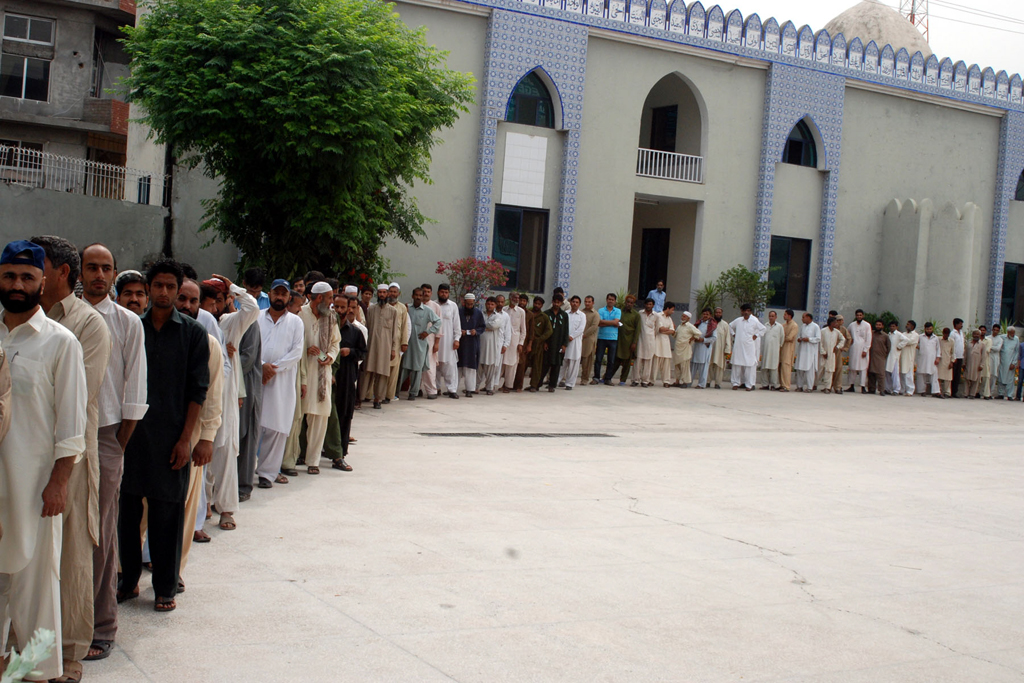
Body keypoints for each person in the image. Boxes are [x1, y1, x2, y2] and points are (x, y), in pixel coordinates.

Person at [0, 240, 87, 682]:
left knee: (37, 584)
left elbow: (72, 425)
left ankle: (36, 671)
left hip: (35, 487)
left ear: (42, 283)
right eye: (9, 276)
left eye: (27, 277)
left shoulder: (60, 343)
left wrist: (59, 482)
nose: (17, 285)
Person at [31, 235, 112, 680]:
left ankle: (67, 654)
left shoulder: (87, 326)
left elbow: (77, 398)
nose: (27, 276)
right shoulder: (19, 317)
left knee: (70, 554)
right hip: (22, 453)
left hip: (71, 457)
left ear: (62, 273)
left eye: (35, 268)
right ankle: (21, 647)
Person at [119, 259, 210, 615]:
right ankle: (126, 581)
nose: (164, 293)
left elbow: (197, 390)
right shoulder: (131, 328)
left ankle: (164, 586)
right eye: (158, 286)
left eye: (171, 287)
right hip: (130, 435)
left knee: (166, 515)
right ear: (148, 288)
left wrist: (187, 438)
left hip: (172, 435)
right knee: (126, 513)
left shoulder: (192, 333)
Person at [79, 243, 148, 663]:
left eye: (106, 268)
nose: (98, 275)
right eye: (92, 268)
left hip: (106, 436)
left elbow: (135, 390)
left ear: (115, 273)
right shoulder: (61, 316)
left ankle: (102, 625)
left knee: (100, 534)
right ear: (78, 272)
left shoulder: (126, 322)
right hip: (63, 435)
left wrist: (118, 443)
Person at [254, 280, 304, 486]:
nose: (280, 297)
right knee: (253, 426)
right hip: (256, 378)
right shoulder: (256, 317)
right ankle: (246, 472)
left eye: (284, 294)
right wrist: (261, 365)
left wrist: (272, 369)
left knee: (276, 429)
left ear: (288, 297)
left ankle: (267, 474)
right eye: (277, 293)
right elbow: (248, 345)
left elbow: (297, 351)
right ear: (270, 294)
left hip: (281, 382)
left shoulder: (295, 322)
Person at [300, 282, 341, 474]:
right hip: (301, 372)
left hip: (322, 373)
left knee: (320, 418)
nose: (332, 301)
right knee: (296, 417)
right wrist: (305, 350)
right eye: (330, 297)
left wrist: (330, 357)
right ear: (318, 298)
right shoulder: (300, 314)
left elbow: (335, 343)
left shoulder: (331, 317)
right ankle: (290, 459)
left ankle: (313, 461)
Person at [332, 297, 367, 471]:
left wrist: (350, 352)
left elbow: (363, 353)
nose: (339, 310)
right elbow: (319, 353)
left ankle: (340, 454)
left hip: (346, 378)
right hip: (326, 378)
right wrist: (327, 361)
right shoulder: (325, 329)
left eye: (342, 307)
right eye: (336, 306)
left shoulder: (355, 332)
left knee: (344, 415)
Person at [236, 305, 263, 501]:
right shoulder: (221, 321)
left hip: (247, 384)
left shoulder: (250, 323)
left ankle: (243, 485)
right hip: (225, 384)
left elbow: (247, 358)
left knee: (245, 435)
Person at [280, 290, 308, 477]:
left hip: (301, 378)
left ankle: (291, 460)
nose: (300, 309)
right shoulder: (292, 322)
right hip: (280, 377)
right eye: (298, 306)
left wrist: (304, 380)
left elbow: (305, 356)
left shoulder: (299, 323)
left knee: (296, 420)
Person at [400, 288, 441, 399]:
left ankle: (413, 393)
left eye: (420, 295)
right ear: (412, 296)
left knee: (417, 369)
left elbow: (438, 322)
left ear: (423, 297)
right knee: (404, 368)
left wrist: (428, 332)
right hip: (406, 344)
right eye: (416, 295)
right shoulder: (406, 308)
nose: (418, 297)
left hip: (420, 344)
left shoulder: (427, 310)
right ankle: (395, 391)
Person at [364, 284, 401, 408]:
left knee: (382, 373)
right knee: (367, 372)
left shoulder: (393, 311)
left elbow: (395, 332)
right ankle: (362, 397)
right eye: (380, 292)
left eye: (384, 292)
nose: (382, 295)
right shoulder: (371, 309)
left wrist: (393, 349)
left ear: (387, 294)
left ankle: (378, 399)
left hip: (386, 346)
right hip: (371, 345)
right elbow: (367, 328)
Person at [434, 284, 462, 398]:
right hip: (435, 340)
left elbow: (457, 324)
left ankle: (452, 389)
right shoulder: (433, 304)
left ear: (448, 293)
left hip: (449, 341)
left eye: (446, 292)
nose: (443, 294)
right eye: (442, 292)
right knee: (435, 365)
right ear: (438, 292)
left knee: (450, 366)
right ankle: (436, 388)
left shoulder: (453, 306)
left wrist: (457, 339)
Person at [729, 304, 765, 391]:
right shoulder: (738, 320)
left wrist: (756, 335)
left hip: (749, 347)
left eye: (748, 311)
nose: (746, 312)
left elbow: (763, 329)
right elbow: (729, 326)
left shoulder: (754, 321)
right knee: (737, 364)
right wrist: (733, 334)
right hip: (738, 346)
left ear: (750, 312)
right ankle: (735, 383)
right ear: (741, 311)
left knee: (749, 365)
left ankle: (749, 385)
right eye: (744, 311)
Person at [537, 295, 569, 392]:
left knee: (556, 365)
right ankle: (537, 384)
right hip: (548, 344)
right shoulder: (546, 314)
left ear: (561, 303)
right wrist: (544, 342)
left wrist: (564, 345)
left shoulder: (564, 315)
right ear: (552, 302)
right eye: (555, 302)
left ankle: (552, 385)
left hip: (559, 344)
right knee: (544, 365)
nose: (556, 304)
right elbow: (543, 330)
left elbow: (566, 330)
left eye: (558, 302)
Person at [457, 293, 486, 397]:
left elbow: (482, 327)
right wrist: (460, 331)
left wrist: (476, 331)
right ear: (464, 303)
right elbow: (454, 324)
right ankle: (453, 389)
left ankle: (469, 390)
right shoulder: (459, 312)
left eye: (471, 304)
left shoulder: (478, 313)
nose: (469, 306)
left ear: (474, 303)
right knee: (457, 367)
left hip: (472, 344)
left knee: (470, 368)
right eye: (467, 304)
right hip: (460, 343)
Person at [386, 283, 410, 402]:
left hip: (397, 342)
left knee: (394, 371)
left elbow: (405, 325)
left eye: (395, 292)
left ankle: (389, 395)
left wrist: (404, 342)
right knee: (382, 369)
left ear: (398, 294)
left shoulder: (402, 308)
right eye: (390, 291)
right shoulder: (382, 305)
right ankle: (379, 393)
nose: (392, 294)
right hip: (383, 342)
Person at [478, 296, 506, 395]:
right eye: (488, 304)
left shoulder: (498, 316)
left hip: (492, 346)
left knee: (490, 367)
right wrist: (486, 325)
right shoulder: (481, 314)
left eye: (492, 304)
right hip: (480, 344)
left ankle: (489, 388)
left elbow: (494, 326)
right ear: (485, 304)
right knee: (479, 367)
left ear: (495, 305)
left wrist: (483, 326)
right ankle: (475, 387)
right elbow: (477, 325)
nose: (490, 306)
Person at [525, 296, 553, 392]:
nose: (537, 305)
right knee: (523, 363)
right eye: (535, 303)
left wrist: (542, 339)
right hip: (526, 341)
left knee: (537, 365)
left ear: (542, 305)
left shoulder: (544, 317)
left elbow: (549, 331)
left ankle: (534, 385)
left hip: (538, 343)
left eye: (539, 304)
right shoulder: (528, 313)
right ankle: (517, 384)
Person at [420, 284, 443, 399]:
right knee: (416, 365)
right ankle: (416, 389)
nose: (426, 293)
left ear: (431, 293)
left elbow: (439, 326)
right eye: (424, 291)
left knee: (429, 366)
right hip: (417, 340)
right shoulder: (415, 305)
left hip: (430, 340)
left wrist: (437, 342)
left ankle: (431, 390)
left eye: (428, 292)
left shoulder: (435, 306)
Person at [611, 295, 640, 386]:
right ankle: (607, 377)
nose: (629, 304)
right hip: (619, 339)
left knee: (627, 362)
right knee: (615, 360)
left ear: (633, 304)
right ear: (625, 302)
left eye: (631, 303)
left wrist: (634, 343)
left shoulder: (636, 315)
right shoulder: (619, 312)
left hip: (629, 341)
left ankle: (623, 380)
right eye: (628, 302)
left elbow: (637, 330)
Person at [502, 292, 526, 393]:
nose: (516, 299)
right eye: (515, 297)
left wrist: (521, 343)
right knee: (500, 362)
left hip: (514, 341)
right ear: (510, 298)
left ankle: (508, 385)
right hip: (503, 339)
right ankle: (493, 384)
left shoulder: (521, 312)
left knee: (512, 364)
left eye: (518, 298)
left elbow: (523, 329)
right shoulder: (504, 310)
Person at [562, 295, 587, 390]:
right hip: (564, 341)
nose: (574, 304)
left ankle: (570, 383)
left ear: (579, 304)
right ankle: (557, 380)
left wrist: (572, 336)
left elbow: (581, 328)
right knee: (562, 362)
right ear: (570, 303)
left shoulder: (582, 315)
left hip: (575, 342)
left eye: (577, 302)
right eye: (573, 302)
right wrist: (565, 336)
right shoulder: (565, 313)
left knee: (573, 363)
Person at [594, 293, 620, 384]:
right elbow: (599, 322)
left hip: (613, 338)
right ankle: (596, 377)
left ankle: (608, 378)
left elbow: (617, 321)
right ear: (606, 300)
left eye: (612, 299)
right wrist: (613, 323)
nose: (610, 301)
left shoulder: (618, 311)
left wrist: (605, 322)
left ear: (615, 301)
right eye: (609, 299)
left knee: (611, 360)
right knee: (598, 359)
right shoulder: (601, 310)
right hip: (602, 337)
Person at [672, 310, 702, 387]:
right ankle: (677, 381)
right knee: (677, 366)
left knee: (684, 366)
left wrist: (692, 338)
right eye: (682, 316)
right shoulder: (680, 326)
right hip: (678, 348)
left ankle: (685, 382)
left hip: (685, 348)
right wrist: (672, 331)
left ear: (688, 318)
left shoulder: (690, 326)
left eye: (684, 316)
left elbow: (698, 333)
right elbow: (676, 335)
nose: (682, 317)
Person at [793, 312, 820, 392]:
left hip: (810, 352)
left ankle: (809, 387)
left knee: (809, 370)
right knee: (800, 369)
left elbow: (818, 338)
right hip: (802, 351)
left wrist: (809, 339)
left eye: (803, 317)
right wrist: (799, 339)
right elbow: (800, 336)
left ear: (808, 317)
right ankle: (799, 386)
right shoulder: (803, 326)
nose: (802, 319)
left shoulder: (815, 327)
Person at [635, 298, 659, 387]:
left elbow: (656, 329)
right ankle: (636, 380)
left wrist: (651, 337)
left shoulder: (656, 316)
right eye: (647, 304)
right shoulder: (640, 313)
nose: (649, 306)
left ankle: (645, 381)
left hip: (650, 341)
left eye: (650, 304)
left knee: (648, 361)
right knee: (638, 360)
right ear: (645, 304)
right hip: (640, 340)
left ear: (653, 305)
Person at [819, 316, 846, 394]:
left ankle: (827, 387)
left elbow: (843, 339)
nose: (836, 324)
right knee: (820, 370)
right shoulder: (823, 331)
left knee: (830, 370)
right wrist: (823, 352)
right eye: (835, 322)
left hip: (832, 354)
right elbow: (820, 342)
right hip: (824, 354)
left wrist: (837, 347)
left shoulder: (836, 332)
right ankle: (814, 384)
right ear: (831, 323)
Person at [758, 310, 784, 390]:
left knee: (773, 368)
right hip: (766, 350)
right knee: (765, 368)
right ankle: (765, 384)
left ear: (776, 317)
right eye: (770, 316)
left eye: (773, 316)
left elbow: (782, 338)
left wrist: (779, 346)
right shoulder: (765, 325)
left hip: (775, 350)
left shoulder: (779, 326)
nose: (771, 317)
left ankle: (774, 385)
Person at [847, 309, 872, 393]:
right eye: (857, 315)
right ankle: (851, 385)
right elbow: (847, 334)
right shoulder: (852, 325)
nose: (859, 316)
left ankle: (862, 386)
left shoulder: (867, 325)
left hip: (862, 349)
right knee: (852, 368)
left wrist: (865, 349)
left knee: (863, 368)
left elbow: (869, 338)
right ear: (855, 316)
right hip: (854, 349)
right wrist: (849, 343)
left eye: (860, 315)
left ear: (863, 316)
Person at [651, 300, 675, 387]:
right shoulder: (658, 316)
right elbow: (660, 329)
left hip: (666, 343)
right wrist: (667, 330)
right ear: (667, 308)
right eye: (672, 310)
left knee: (666, 363)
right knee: (655, 362)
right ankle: (651, 380)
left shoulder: (669, 318)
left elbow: (672, 331)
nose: (673, 312)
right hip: (658, 340)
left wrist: (667, 330)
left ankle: (666, 381)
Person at [865, 320, 890, 395]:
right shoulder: (871, 334)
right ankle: (871, 389)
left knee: (880, 374)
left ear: (882, 326)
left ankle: (881, 390)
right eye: (877, 325)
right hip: (871, 356)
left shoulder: (885, 336)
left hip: (880, 357)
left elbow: (888, 347)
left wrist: (884, 355)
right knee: (870, 373)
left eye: (880, 325)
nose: (878, 326)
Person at [691, 308, 714, 389]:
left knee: (703, 366)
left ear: (710, 315)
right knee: (693, 365)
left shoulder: (712, 325)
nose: (705, 316)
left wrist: (703, 340)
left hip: (705, 348)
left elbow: (714, 338)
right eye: (704, 314)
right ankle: (688, 382)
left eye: (707, 314)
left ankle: (701, 384)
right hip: (697, 347)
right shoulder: (698, 323)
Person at [710, 307, 732, 389]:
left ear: (721, 314)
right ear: (714, 313)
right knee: (709, 365)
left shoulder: (725, 325)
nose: (718, 314)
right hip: (710, 348)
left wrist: (727, 350)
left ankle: (717, 383)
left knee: (719, 366)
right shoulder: (710, 322)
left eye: (719, 313)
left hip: (720, 349)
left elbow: (727, 338)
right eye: (716, 312)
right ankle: (708, 381)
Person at [580, 295, 600, 385]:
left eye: (589, 302)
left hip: (588, 340)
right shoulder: (581, 312)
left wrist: (584, 334)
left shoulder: (595, 314)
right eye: (586, 301)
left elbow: (594, 327)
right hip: (578, 339)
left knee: (586, 361)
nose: (587, 303)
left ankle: (584, 379)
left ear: (593, 303)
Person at [779, 309, 798, 392]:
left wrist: (783, 338)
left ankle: (786, 386)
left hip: (788, 348)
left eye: (785, 314)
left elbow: (790, 338)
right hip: (782, 347)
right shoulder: (783, 325)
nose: (784, 316)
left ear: (790, 316)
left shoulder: (794, 325)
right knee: (780, 366)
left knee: (786, 366)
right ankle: (782, 384)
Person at [884, 321, 906, 395]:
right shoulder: (889, 334)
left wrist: (899, 346)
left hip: (895, 356)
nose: (892, 327)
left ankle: (896, 389)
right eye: (891, 326)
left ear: (896, 327)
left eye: (893, 326)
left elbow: (906, 340)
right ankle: (888, 388)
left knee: (895, 374)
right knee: (887, 373)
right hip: (888, 356)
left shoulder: (899, 334)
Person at [998, 327, 1019, 399]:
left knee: (1010, 379)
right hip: (1002, 361)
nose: (1013, 334)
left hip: (1011, 362)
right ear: (1008, 333)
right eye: (1011, 333)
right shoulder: (1002, 337)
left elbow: (1017, 351)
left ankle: (1010, 395)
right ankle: (1001, 394)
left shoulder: (1016, 339)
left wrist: (1014, 362)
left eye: (1014, 333)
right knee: (1001, 377)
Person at [833, 313, 853, 393]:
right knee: (830, 369)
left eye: (841, 320)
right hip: (831, 350)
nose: (841, 322)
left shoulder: (843, 329)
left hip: (838, 351)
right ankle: (828, 386)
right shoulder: (832, 328)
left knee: (838, 369)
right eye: (839, 320)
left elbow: (849, 338)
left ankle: (838, 387)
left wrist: (845, 348)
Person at [900, 321, 920, 396]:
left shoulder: (915, 335)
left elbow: (909, 341)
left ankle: (910, 390)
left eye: (908, 324)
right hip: (902, 355)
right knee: (902, 373)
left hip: (909, 356)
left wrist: (903, 341)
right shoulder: (904, 334)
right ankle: (902, 389)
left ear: (912, 326)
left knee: (909, 374)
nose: (906, 325)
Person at [964, 329, 984, 398]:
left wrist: (981, 365)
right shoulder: (968, 343)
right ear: (972, 335)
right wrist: (964, 363)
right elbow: (965, 354)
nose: (976, 335)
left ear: (980, 335)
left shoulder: (982, 344)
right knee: (966, 378)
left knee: (976, 379)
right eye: (975, 334)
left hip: (977, 364)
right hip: (968, 363)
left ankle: (972, 394)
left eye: (978, 334)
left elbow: (984, 356)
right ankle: (966, 394)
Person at [935, 326, 953, 397]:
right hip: (939, 360)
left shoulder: (951, 341)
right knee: (938, 377)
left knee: (948, 378)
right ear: (943, 333)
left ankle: (947, 392)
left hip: (948, 361)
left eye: (947, 334)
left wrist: (952, 362)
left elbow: (953, 352)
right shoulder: (939, 339)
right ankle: (938, 391)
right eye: (945, 333)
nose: (946, 335)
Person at [950, 317, 965, 397]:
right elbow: (952, 346)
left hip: (960, 357)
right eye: (960, 324)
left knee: (958, 375)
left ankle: (955, 391)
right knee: (953, 375)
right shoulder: (953, 333)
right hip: (955, 357)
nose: (961, 325)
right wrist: (953, 357)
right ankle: (951, 391)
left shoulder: (961, 333)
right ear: (956, 324)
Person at [989, 323, 1004, 398]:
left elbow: (997, 349)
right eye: (994, 330)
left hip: (995, 358)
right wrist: (992, 347)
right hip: (988, 357)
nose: (995, 331)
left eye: (997, 330)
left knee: (993, 375)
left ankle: (991, 393)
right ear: (992, 330)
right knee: (986, 375)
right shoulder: (988, 338)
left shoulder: (1000, 339)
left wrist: (990, 347)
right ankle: (984, 392)